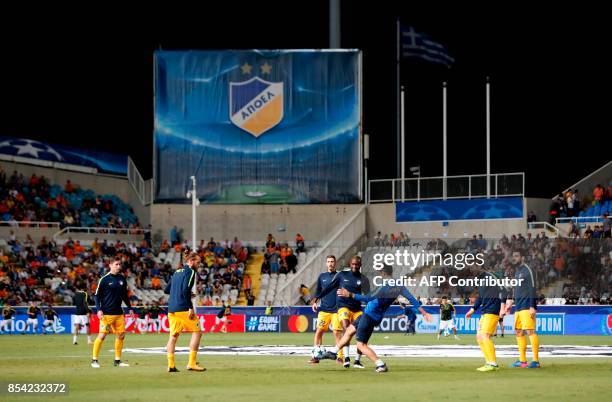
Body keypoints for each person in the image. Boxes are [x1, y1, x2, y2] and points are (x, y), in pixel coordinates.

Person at [322, 265, 432, 372]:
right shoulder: (399, 285)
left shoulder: (384, 285)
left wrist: (350, 294)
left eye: (380, 272)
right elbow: (412, 299)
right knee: (350, 330)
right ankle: (333, 351)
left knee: (361, 345)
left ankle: (380, 364)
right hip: (372, 315)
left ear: (383, 273)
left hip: (370, 315)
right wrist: (424, 313)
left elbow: (368, 298)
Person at [313, 256, 370, 368]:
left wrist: (368, 308)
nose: (354, 266)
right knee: (346, 328)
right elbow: (329, 288)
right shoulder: (342, 275)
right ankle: (346, 358)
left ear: (360, 265)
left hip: (357, 309)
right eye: (353, 264)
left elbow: (368, 297)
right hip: (343, 307)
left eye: (357, 264)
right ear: (350, 264)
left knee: (362, 333)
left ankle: (357, 361)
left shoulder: (364, 279)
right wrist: (317, 298)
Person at [164, 252, 205, 372]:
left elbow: (167, 290)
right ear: (191, 262)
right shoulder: (191, 272)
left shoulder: (177, 272)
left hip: (172, 308)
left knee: (173, 336)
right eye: (197, 263)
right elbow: (186, 289)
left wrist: (180, 293)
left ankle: (171, 365)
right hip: (183, 308)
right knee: (197, 332)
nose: (199, 265)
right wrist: (190, 307)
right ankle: (191, 363)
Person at [91, 257, 134, 368]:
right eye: (116, 264)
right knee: (102, 336)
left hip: (119, 313)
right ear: (110, 265)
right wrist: (98, 309)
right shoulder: (104, 279)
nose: (118, 266)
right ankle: (94, 360)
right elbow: (96, 296)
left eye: (119, 264)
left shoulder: (122, 279)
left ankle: (117, 361)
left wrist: (130, 307)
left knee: (121, 336)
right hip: (106, 313)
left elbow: (125, 295)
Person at [465, 270, 507, 371]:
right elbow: (480, 298)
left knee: (485, 335)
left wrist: (502, 307)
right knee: (479, 337)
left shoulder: (491, 276)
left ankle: (493, 363)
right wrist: (472, 310)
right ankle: (488, 362)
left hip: (492, 311)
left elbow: (503, 291)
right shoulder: (480, 280)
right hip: (485, 312)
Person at [505, 249, 540, 368]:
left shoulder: (527, 270)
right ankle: (522, 360)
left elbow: (532, 289)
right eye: (513, 256)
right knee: (519, 332)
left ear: (522, 257)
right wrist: (511, 302)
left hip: (526, 306)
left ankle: (535, 361)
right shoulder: (517, 272)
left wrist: (532, 306)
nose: (514, 258)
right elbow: (518, 290)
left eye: (516, 255)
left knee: (530, 331)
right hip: (518, 307)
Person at [308, 255, 344, 365]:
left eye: (332, 261)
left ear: (335, 263)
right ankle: (316, 356)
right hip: (324, 310)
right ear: (326, 263)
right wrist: (314, 302)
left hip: (336, 310)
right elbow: (318, 291)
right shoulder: (322, 276)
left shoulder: (340, 276)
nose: (330, 263)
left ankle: (340, 357)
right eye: (328, 261)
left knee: (337, 333)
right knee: (319, 332)